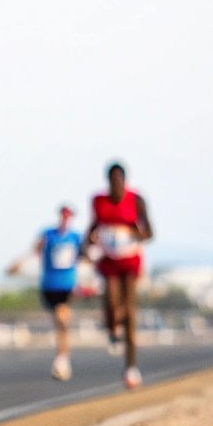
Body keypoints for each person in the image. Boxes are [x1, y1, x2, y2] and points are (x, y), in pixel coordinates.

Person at [87, 162, 152, 389]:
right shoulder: (99, 202)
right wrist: (89, 243)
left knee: (130, 313)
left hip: (130, 259)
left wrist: (136, 232)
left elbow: (149, 232)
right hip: (109, 259)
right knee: (112, 303)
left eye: (119, 179)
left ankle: (131, 367)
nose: (115, 184)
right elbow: (93, 227)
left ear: (124, 181)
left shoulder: (136, 200)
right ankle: (114, 326)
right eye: (112, 180)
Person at [8, 204, 87, 381]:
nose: (66, 220)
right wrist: (18, 265)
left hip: (67, 286)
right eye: (64, 216)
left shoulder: (76, 238)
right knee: (59, 323)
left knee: (62, 319)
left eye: (69, 217)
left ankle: (62, 359)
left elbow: (87, 256)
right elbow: (34, 251)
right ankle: (62, 358)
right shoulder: (48, 235)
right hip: (49, 285)